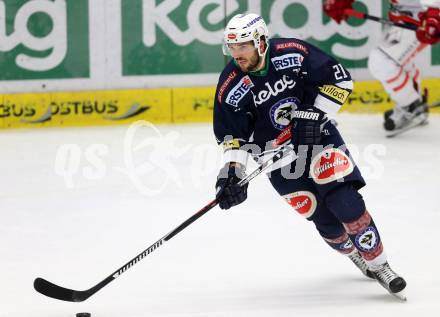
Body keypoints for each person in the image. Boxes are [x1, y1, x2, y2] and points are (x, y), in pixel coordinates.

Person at [213, 13, 407, 299]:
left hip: (319, 137)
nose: (237, 53)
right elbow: (233, 137)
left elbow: (340, 81)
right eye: (232, 47)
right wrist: (231, 173)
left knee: (345, 201)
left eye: (243, 45)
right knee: (325, 220)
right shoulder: (231, 85)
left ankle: (380, 265)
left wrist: (313, 116)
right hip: (278, 159)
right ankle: (353, 252)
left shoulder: (293, 52)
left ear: (261, 42)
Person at [324, 0, 440, 135]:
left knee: (382, 62)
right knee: (393, 61)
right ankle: (416, 103)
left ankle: (411, 105)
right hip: (404, 19)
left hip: (422, 21)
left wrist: (434, 15)